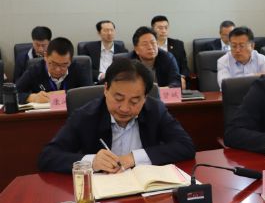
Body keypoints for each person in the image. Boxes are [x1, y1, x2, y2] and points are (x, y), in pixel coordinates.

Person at [38, 58, 195, 173]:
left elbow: (186, 146)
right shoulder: (85, 116)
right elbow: (48, 157)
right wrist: (92, 162)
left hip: (146, 193)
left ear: (145, 98)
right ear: (106, 89)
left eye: (134, 101)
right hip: (103, 197)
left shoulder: (155, 110)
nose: (125, 108)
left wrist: (134, 157)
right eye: (118, 98)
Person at [16, 37, 92, 103]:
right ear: (45, 56)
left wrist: (61, 94)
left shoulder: (78, 68)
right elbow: (13, 94)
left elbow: (90, 94)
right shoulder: (35, 70)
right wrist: (32, 97)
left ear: (70, 61)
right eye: (53, 64)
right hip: (44, 114)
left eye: (64, 65)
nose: (58, 69)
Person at [151, 15, 190, 89]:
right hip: (156, 81)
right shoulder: (150, 46)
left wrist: (181, 77)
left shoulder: (178, 44)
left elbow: (184, 67)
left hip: (174, 80)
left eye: (166, 27)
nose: (163, 31)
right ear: (153, 29)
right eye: (160, 28)